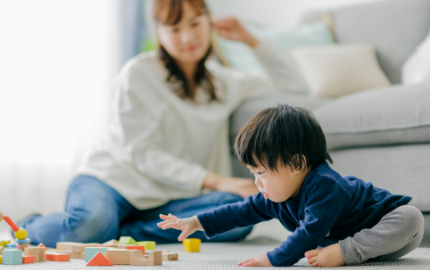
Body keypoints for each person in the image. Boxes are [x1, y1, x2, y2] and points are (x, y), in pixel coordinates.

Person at [19, 0, 308, 247]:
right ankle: (30, 225)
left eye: (195, 23)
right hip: (113, 182)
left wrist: (250, 39)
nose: (187, 37)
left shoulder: (225, 82)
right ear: (159, 32)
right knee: (90, 228)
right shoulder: (138, 74)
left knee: (236, 221)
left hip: (172, 197)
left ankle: (122, 231)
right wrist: (220, 180)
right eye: (175, 28)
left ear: (209, 22)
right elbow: (144, 154)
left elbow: (296, 85)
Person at [157, 104, 424, 267]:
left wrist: (274, 258)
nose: (257, 182)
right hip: (366, 246)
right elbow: (239, 211)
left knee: (411, 217)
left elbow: (309, 232)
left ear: (297, 163)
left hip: (383, 227)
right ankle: (350, 252)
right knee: (318, 246)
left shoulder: (325, 186)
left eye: (261, 172)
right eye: (253, 173)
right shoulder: (275, 195)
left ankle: (348, 252)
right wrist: (197, 222)